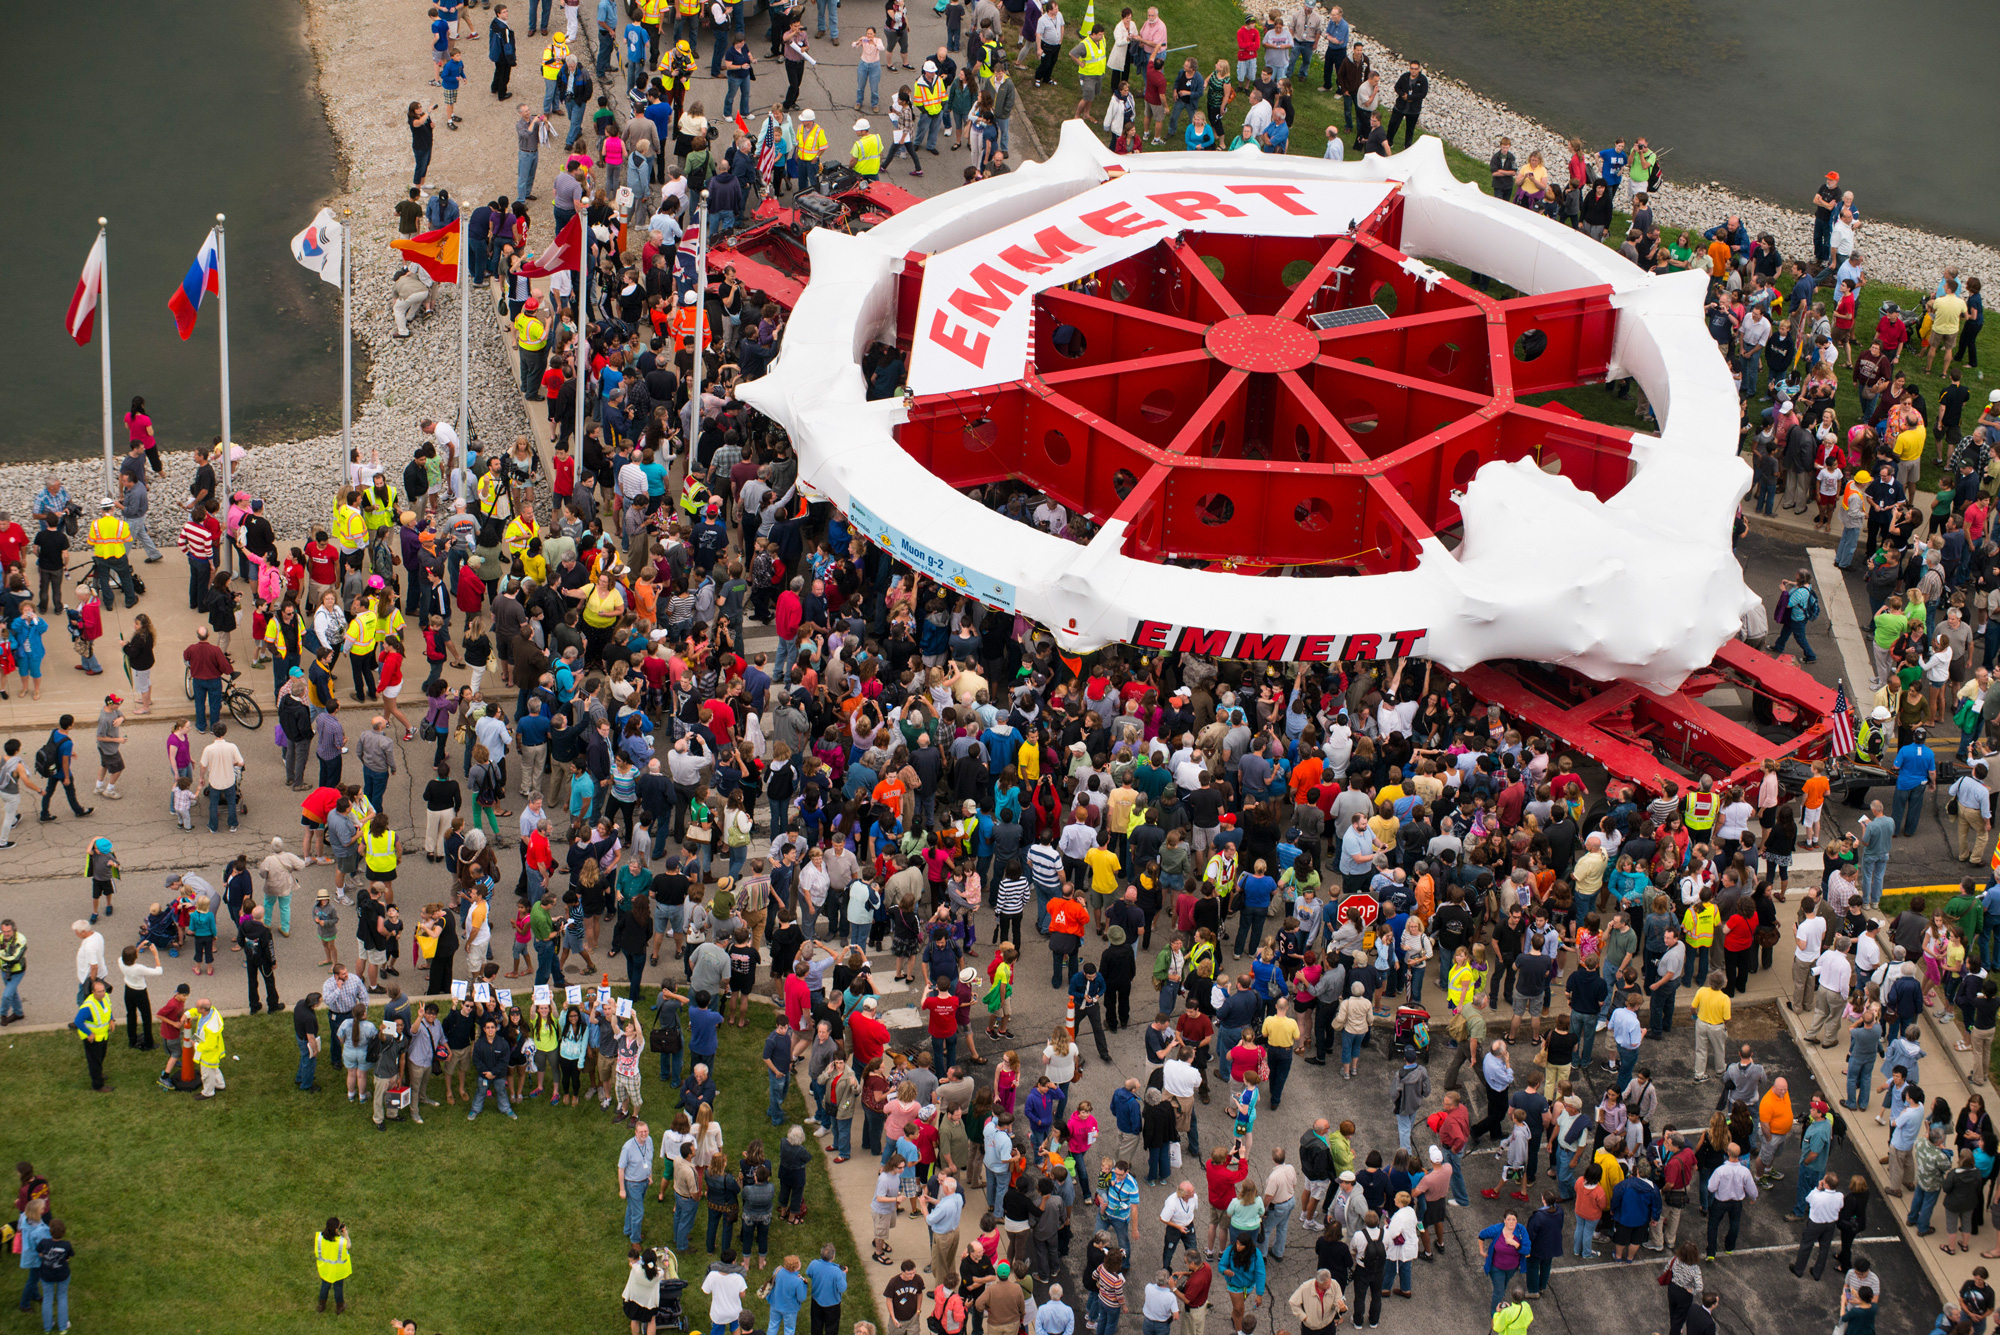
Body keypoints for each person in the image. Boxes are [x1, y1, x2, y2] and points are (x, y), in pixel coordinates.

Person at [314, 1218, 353, 1315]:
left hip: (325, 1268)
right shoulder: (341, 1242)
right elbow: (348, 1245)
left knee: (325, 1286)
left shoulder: (319, 1237)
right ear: (336, 1230)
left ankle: (321, 1305)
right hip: (337, 1270)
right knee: (338, 1288)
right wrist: (345, 1233)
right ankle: (340, 1307)